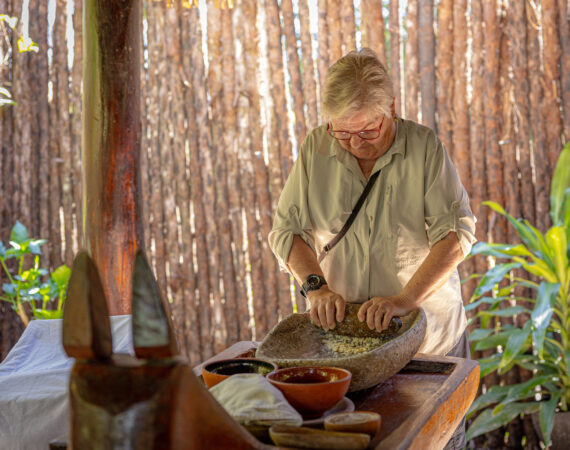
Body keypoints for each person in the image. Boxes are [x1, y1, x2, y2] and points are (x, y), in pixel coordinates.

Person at [268, 48, 476, 449]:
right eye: (342, 132)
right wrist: (316, 287)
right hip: (347, 346)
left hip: (426, 338)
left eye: (368, 131)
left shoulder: (423, 148)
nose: (355, 143)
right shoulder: (316, 147)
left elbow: (456, 235)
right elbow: (288, 229)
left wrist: (404, 299)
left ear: (391, 109)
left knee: (434, 440)